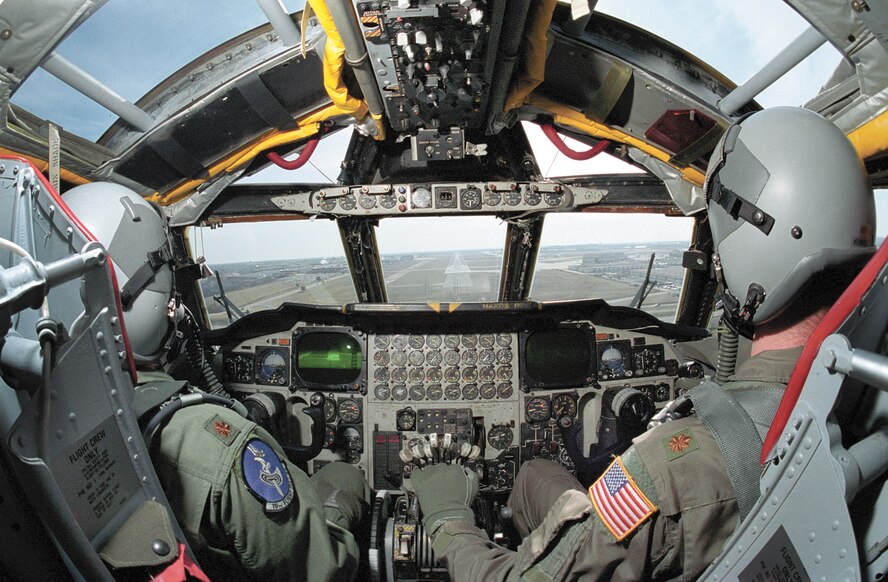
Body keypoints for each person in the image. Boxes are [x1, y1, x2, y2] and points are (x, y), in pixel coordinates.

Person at [410, 106, 877, 580]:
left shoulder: (663, 469)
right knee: (533, 472)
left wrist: (447, 517)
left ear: (748, 252)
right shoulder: (869, 386)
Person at [63, 182, 370, 582]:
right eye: (170, 291)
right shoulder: (214, 445)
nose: (174, 306)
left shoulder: (45, 418)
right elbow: (323, 567)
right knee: (344, 476)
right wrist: (339, 510)